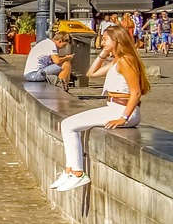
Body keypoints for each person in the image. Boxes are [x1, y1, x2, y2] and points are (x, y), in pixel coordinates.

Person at [55, 26, 149, 191]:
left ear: (117, 40)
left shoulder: (127, 61)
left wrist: (124, 118)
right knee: (68, 124)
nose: (101, 42)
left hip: (121, 110)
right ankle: (70, 170)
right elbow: (91, 73)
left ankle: (77, 173)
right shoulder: (118, 61)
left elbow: (136, 92)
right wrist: (103, 54)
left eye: (105, 39)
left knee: (69, 125)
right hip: (113, 107)